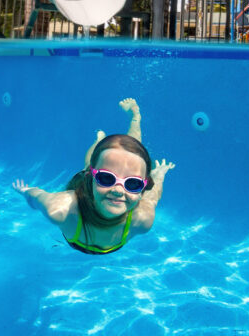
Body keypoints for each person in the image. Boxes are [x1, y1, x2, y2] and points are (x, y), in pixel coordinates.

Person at [12, 98, 175, 255]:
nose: (118, 190)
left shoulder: (142, 220)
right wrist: (26, 191)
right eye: (106, 178)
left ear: (142, 188)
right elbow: (37, 196)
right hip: (79, 223)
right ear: (91, 177)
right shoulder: (60, 209)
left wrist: (159, 175)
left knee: (131, 154)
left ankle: (135, 117)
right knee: (92, 162)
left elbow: (152, 198)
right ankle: (100, 140)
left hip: (102, 239)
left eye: (132, 184)